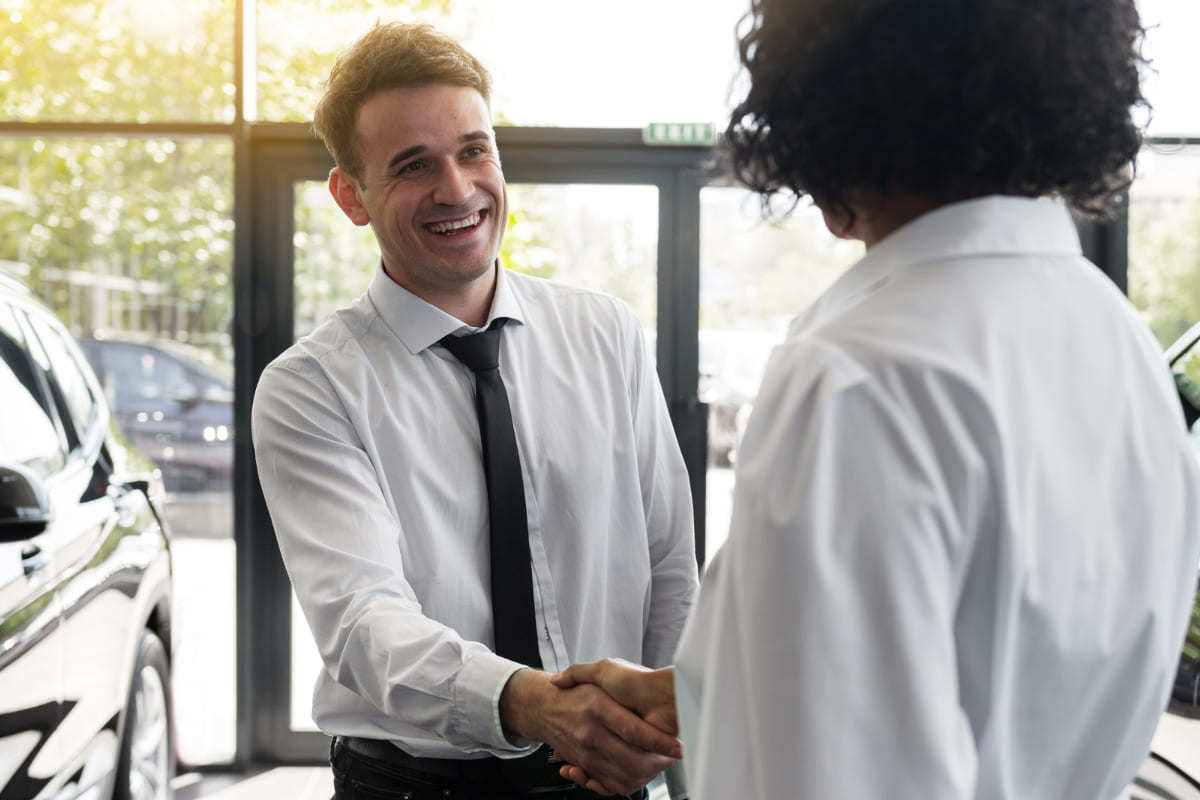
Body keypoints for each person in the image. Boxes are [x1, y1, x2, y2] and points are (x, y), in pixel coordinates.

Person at [553, 0, 1200, 797]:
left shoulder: (859, 377)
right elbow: (1001, 671)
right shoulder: (1115, 337)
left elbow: (839, 772)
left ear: (824, 103)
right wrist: (699, 687)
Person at [250, 22, 698, 800]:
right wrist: (534, 705)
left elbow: (668, 566)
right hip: (414, 787)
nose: (456, 189)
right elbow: (363, 622)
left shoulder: (607, 334)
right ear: (351, 196)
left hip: (608, 777)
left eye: (473, 150)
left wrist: (665, 753)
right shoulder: (311, 387)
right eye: (413, 165)